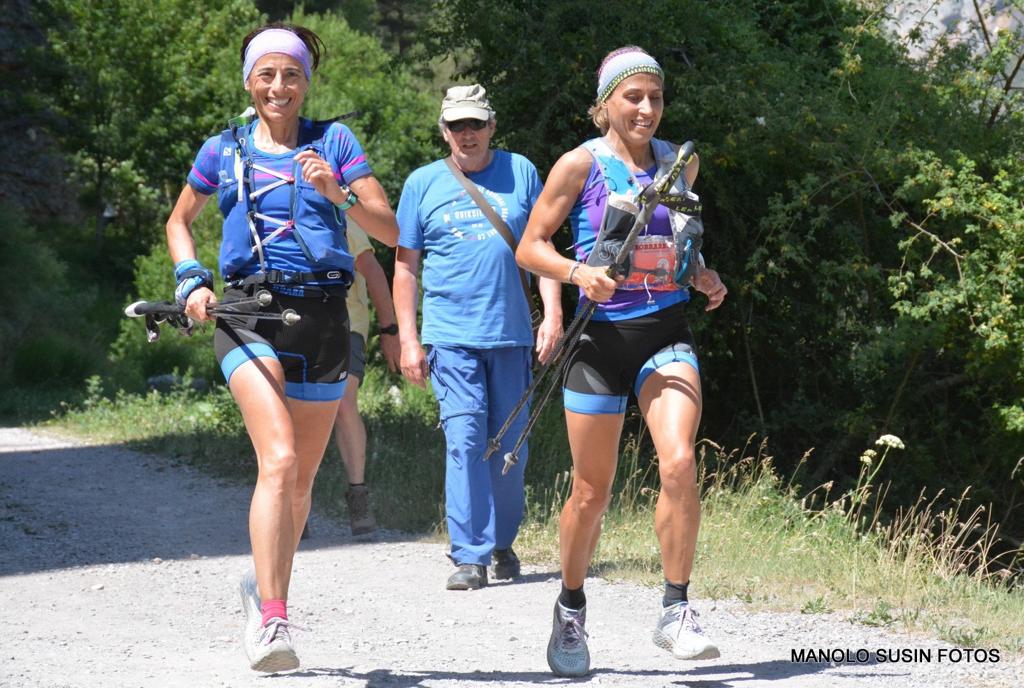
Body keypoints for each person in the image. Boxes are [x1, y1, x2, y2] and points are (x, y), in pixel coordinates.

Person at [164, 23, 399, 672]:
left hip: (324, 319)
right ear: (249, 81)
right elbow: (180, 221)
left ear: (306, 83)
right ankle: (273, 621)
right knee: (280, 459)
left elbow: (387, 226)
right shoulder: (225, 148)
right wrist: (191, 280)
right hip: (247, 314)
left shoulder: (336, 143)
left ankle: (262, 591)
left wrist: (337, 191)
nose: (278, 86)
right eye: (266, 74)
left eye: (290, 75)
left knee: (299, 485)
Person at [516, 46, 728, 676]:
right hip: (598, 342)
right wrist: (579, 271)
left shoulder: (681, 165)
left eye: (655, 98)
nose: (645, 109)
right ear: (605, 102)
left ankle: (676, 609)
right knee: (591, 491)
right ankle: (571, 608)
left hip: (664, 330)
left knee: (681, 460)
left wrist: (705, 278)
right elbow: (531, 247)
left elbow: (682, 250)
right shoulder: (579, 165)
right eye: (632, 97)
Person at [393, 84, 563, 591]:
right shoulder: (422, 183)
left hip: (511, 335)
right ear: (444, 131)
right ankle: (469, 555)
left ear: (492, 126)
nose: (467, 134)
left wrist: (552, 315)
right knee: (465, 440)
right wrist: (408, 339)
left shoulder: (522, 172)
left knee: (510, 445)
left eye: (476, 124)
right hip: (451, 336)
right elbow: (405, 269)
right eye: (456, 126)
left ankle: (502, 541)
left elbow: (544, 247)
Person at [332, 221, 401, 535]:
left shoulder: (340, 218)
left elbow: (372, 271)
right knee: (294, 407)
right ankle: (294, 497)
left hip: (346, 324)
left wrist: (390, 330)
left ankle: (357, 494)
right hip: (293, 323)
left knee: (344, 403)